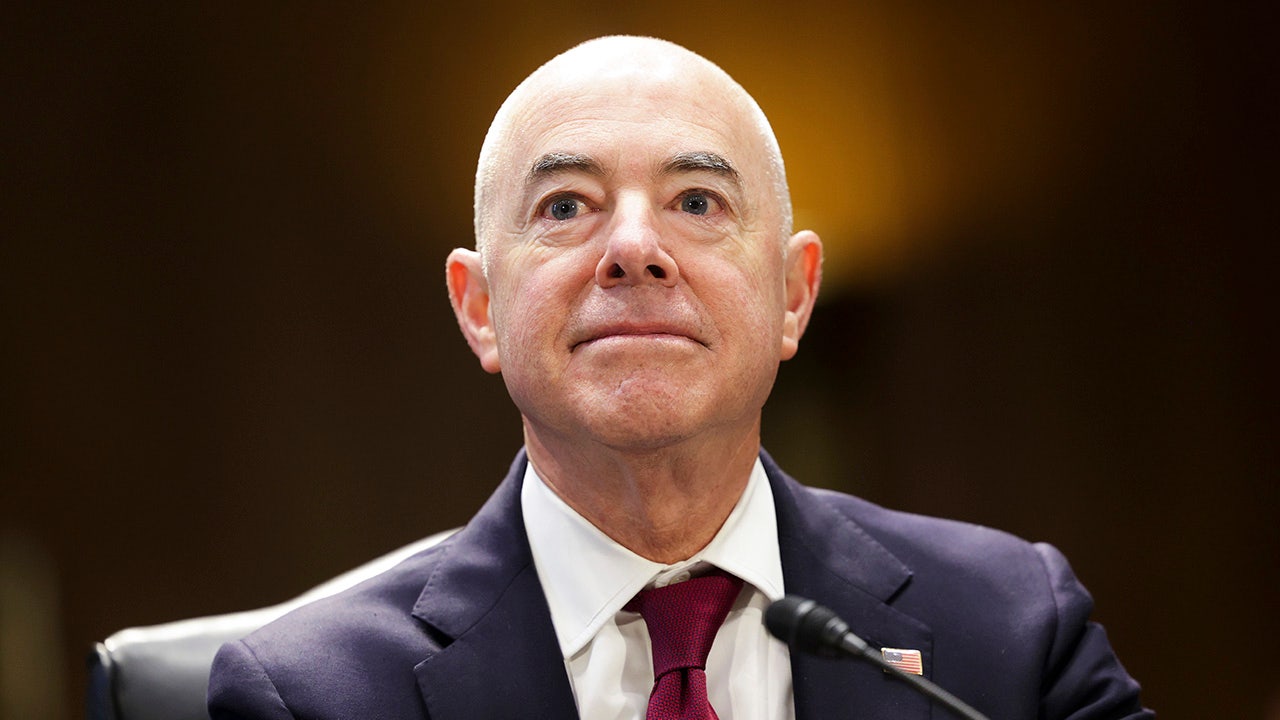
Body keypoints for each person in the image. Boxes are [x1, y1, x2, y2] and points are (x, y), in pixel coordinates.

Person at [208, 36, 1152, 719]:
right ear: (480, 308)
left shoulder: (1012, 629)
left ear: (793, 293)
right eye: (566, 204)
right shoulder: (311, 696)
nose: (633, 249)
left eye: (696, 202)